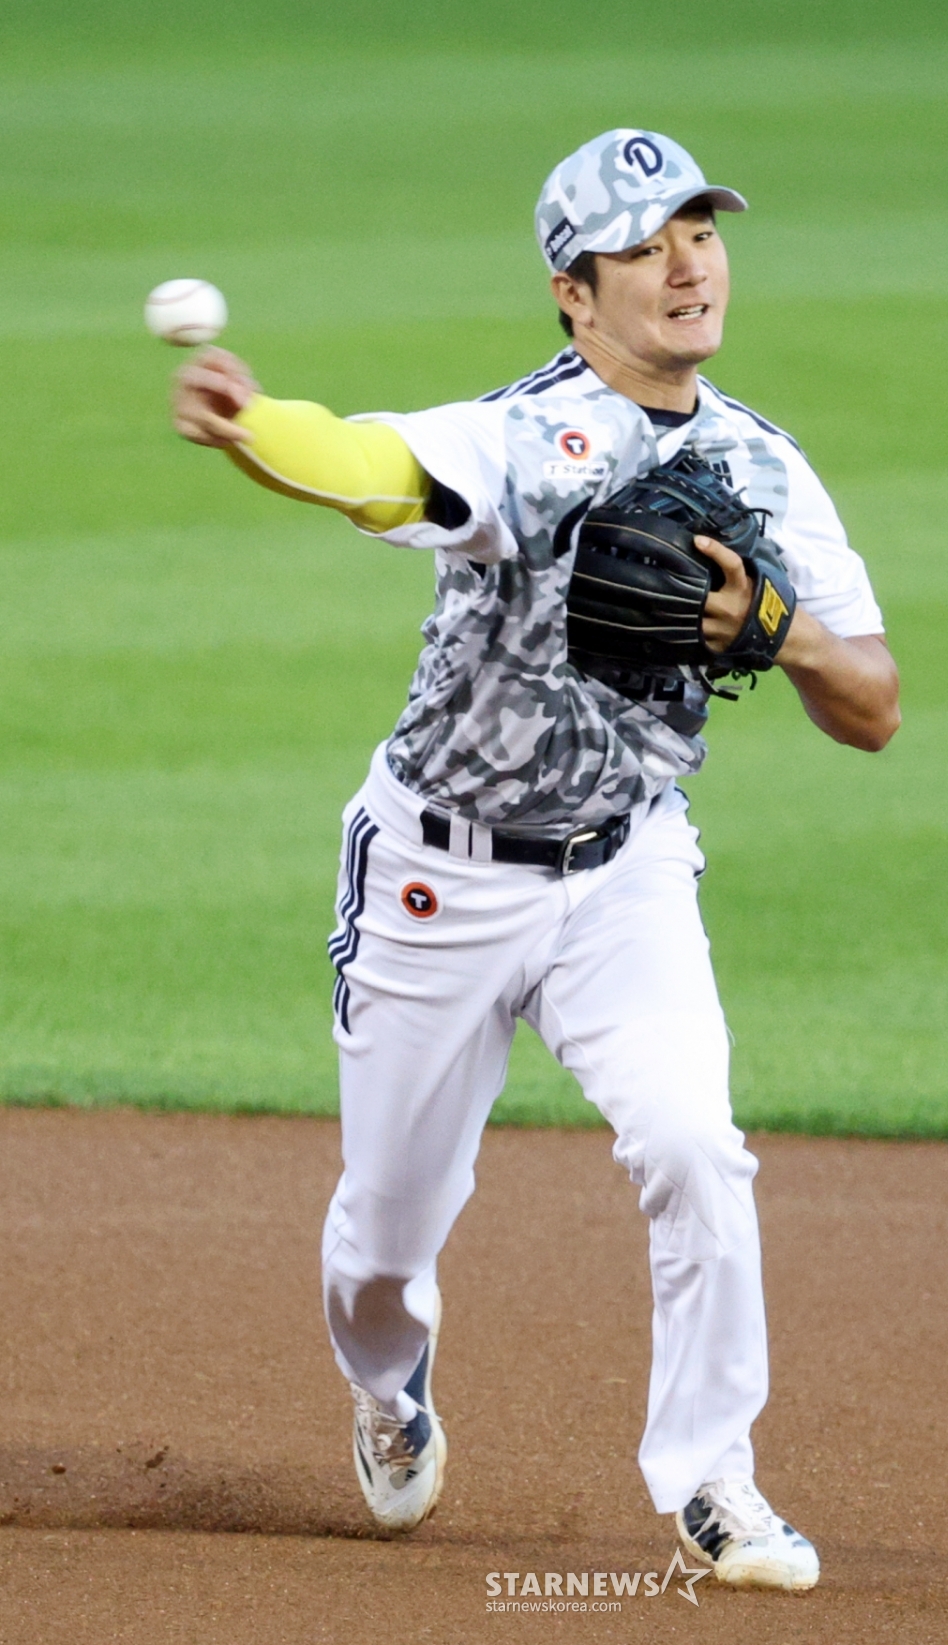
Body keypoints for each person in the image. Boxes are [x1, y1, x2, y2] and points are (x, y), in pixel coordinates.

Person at [172, 128, 900, 1594]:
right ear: (574, 292)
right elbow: (378, 469)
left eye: (700, 232)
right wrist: (260, 428)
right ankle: (388, 1383)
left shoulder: (763, 463)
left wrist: (782, 631)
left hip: (626, 871)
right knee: (385, 1240)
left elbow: (872, 703)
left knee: (695, 1147)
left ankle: (713, 1477)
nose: (687, 266)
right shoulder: (523, 438)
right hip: (438, 876)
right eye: (644, 247)